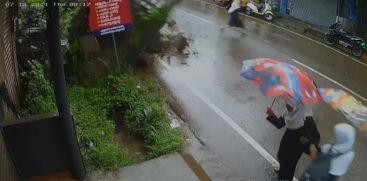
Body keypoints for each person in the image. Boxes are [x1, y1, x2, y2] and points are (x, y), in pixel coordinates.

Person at [266, 100, 320, 181]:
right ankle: (282, 171)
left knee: (290, 164)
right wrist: (272, 115)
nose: (287, 107)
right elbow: (280, 124)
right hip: (288, 136)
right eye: (286, 104)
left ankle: (285, 178)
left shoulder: (305, 114)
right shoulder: (288, 111)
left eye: (289, 106)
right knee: (281, 154)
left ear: (296, 104)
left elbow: (314, 134)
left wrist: (310, 142)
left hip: (298, 142)